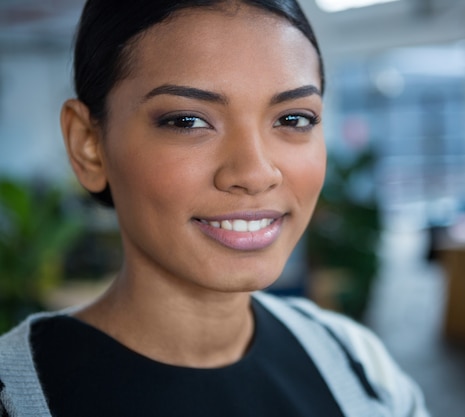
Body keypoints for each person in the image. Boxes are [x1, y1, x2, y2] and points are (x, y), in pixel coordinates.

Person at [0, 0, 429, 415]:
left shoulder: (360, 369)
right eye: (188, 121)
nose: (257, 173)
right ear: (89, 146)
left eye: (294, 119)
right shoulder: (16, 394)